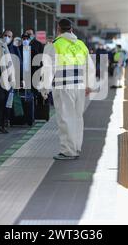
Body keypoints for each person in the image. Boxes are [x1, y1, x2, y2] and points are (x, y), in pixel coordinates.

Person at [40, 19, 96, 160]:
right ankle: (76, 147)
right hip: (80, 87)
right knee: (77, 118)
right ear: (71, 29)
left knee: (65, 118)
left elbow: (48, 69)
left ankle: (68, 151)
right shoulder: (80, 44)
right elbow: (90, 66)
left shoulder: (54, 45)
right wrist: (90, 85)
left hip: (64, 87)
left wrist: (44, 89)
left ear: (58, 29)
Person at [2, 29, 22, 126]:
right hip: (0, 78)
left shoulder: (14, 48)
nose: (7, 37)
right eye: (5, 35)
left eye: (9, 36)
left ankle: (6, 119)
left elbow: (19, 63)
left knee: (9, 100)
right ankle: (2, 119)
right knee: (0, 99)